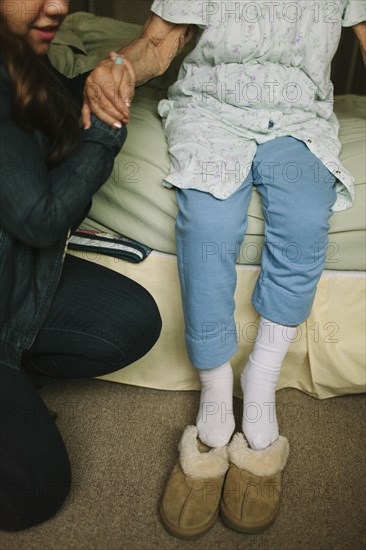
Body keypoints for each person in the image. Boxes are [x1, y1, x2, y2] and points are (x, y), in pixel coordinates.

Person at [83, 0, 366, 539]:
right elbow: (160, 44)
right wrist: (118, 64)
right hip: (211, 111)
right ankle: (216, 400)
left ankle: (258, 387)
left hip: (299, 120)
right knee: (208, 230)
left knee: (307, 220)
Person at [0, 0, 162, 532]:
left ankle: (14, 372)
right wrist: (107, 128)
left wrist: (103, 80)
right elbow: (41, 218)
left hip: (12, 282)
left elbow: (44, 121)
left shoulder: (19, 56)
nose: (59, 5)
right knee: (34, 492)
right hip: (18, 261)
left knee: (130, 320)